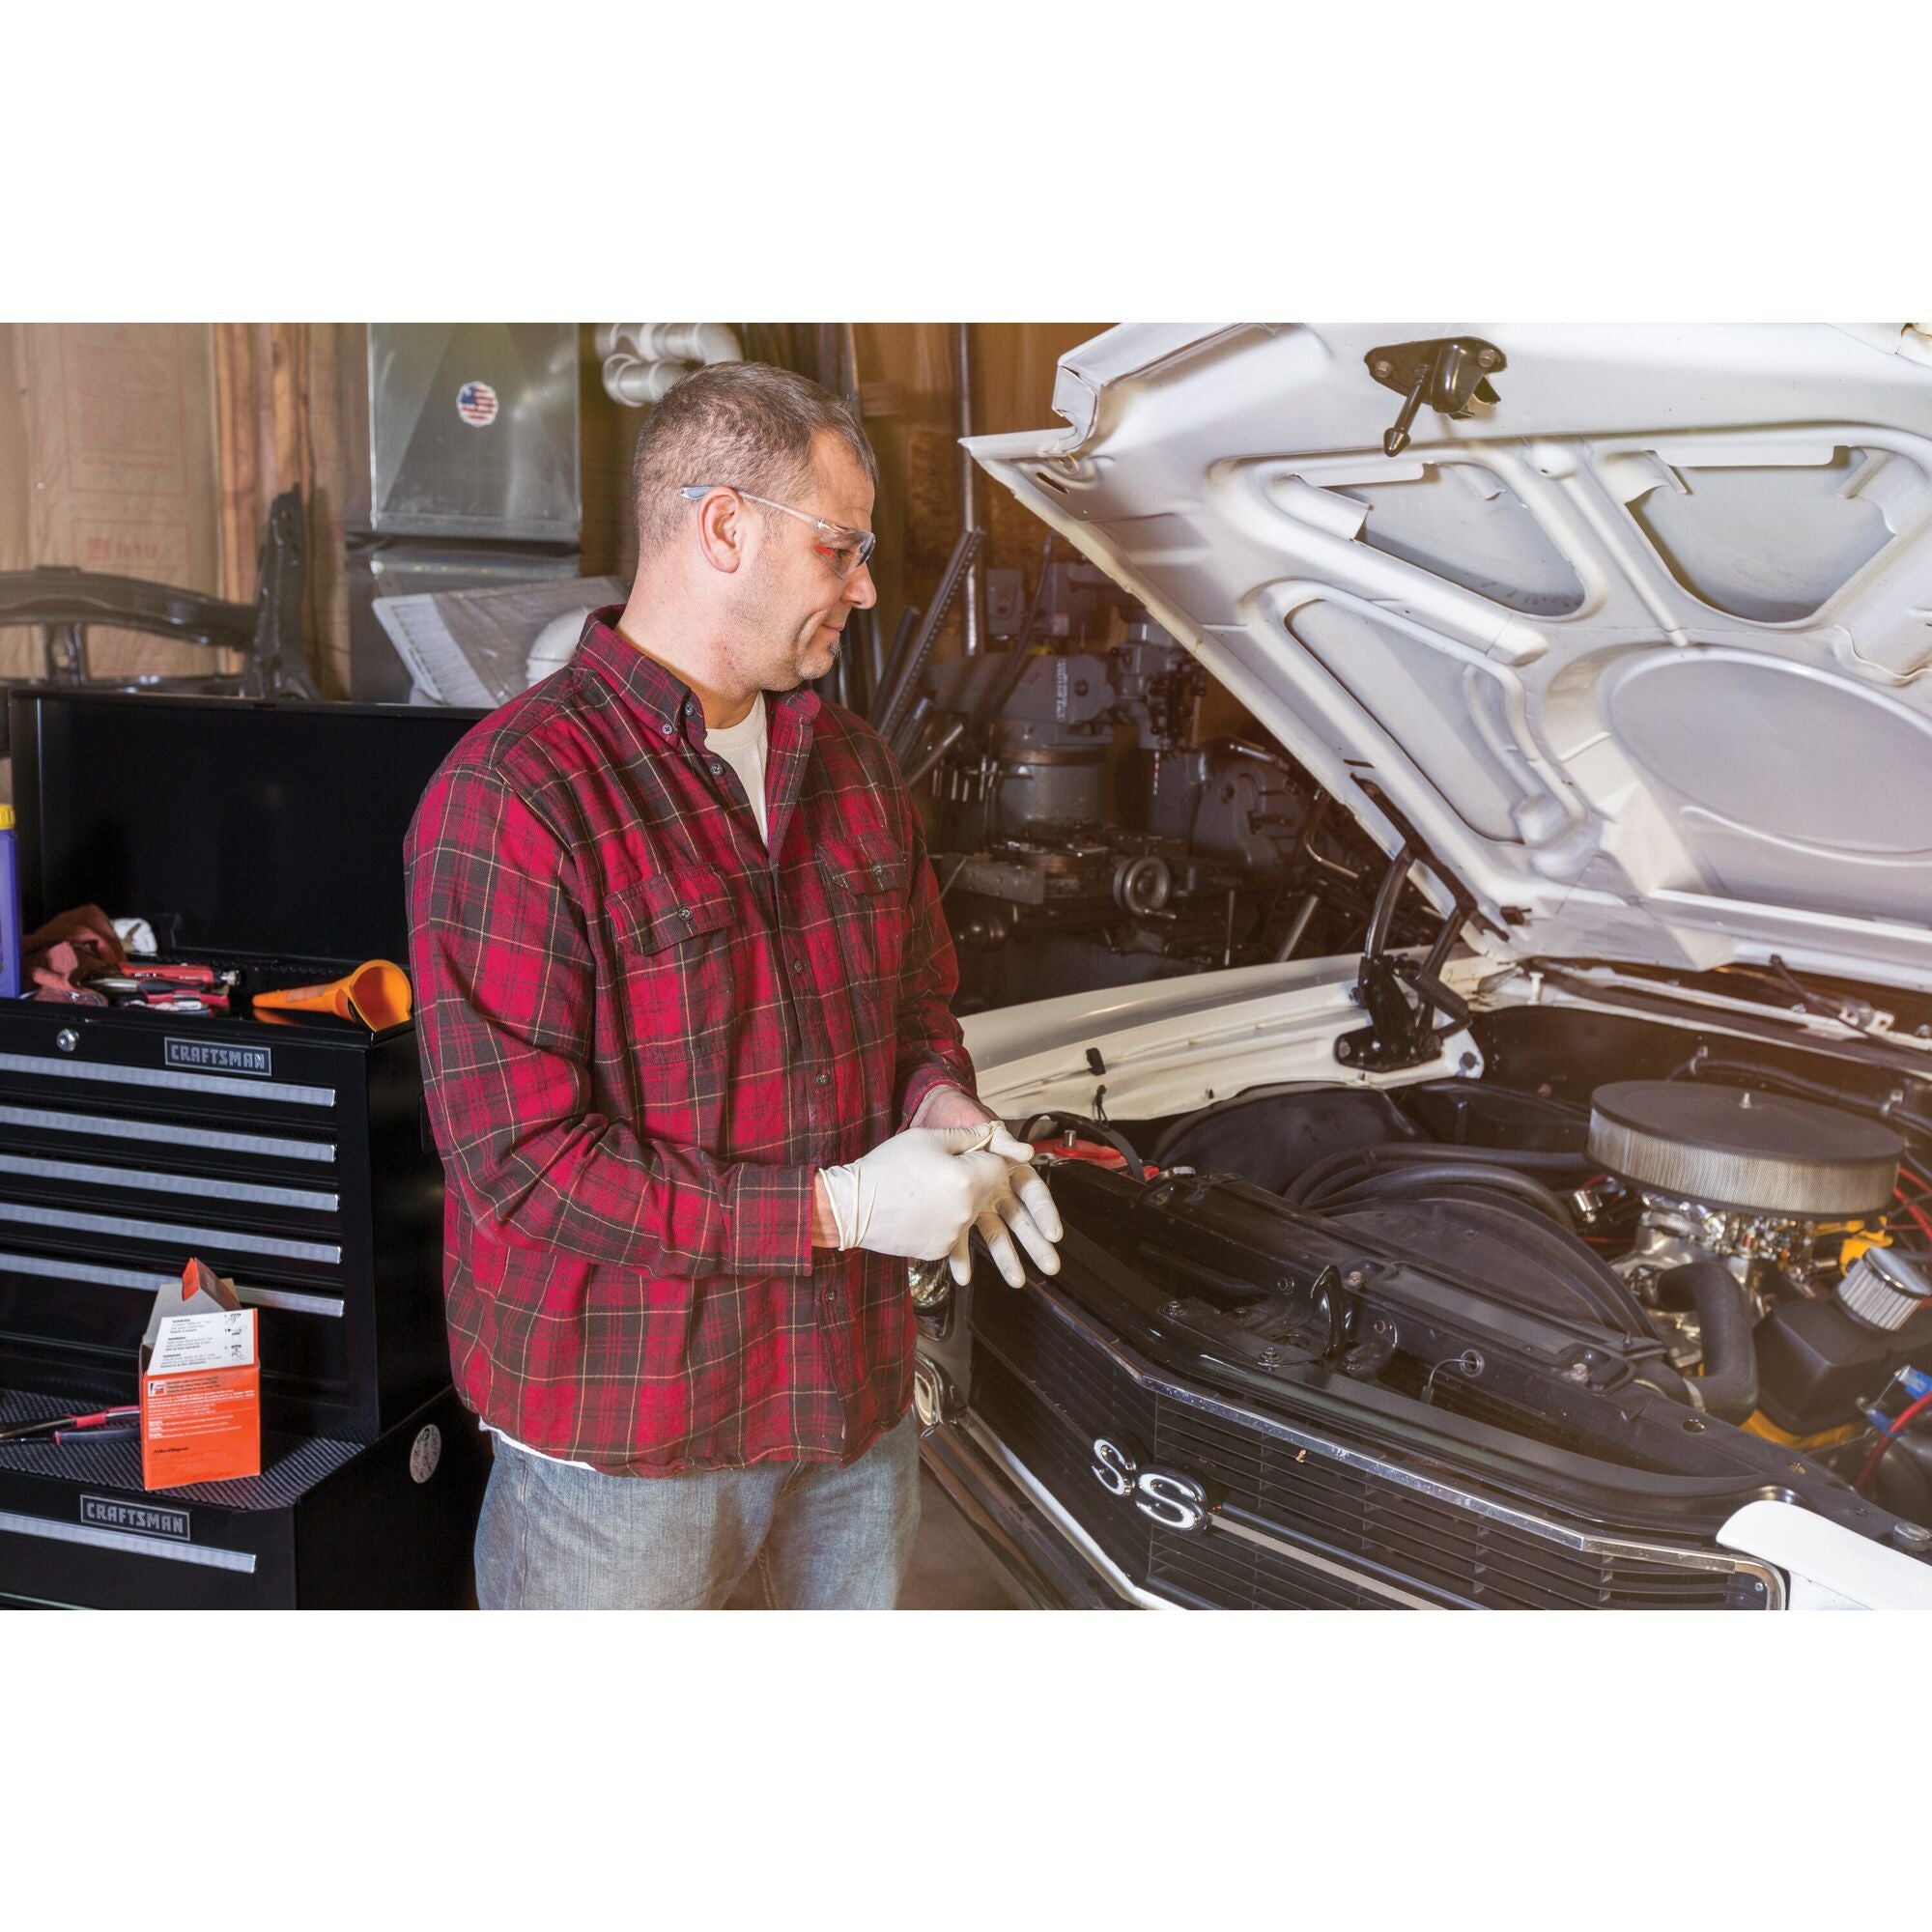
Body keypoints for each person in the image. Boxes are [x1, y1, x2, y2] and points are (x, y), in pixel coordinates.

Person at [405, 361, 1061, 1609]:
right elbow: (524, 1161)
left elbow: (916, 1004)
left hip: (847, 1407)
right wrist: (842, 1213)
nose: (865, 589)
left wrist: (941, 1110)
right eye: (842, 550)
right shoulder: (515, 798)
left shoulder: (854, 766)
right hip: (625, 1449)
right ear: (724, 528)